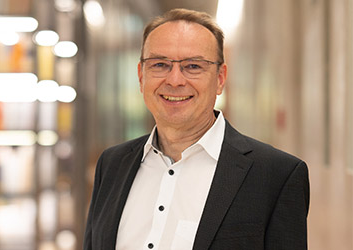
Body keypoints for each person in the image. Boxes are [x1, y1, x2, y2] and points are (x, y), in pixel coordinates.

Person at [83, 8, 310, 250]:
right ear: (141, 77)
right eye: (160, 64)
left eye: (193, 66)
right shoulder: (112, 164)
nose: (175, 80)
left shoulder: (277, 175)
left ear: (220, 78)